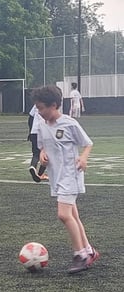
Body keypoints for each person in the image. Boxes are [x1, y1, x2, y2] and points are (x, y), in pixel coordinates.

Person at [32, 85, 99, 274]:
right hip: (56, 175)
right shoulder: (41, 124)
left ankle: (80, 255)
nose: (39, 111)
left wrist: (84, 158)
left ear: (54, 105)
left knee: (63, 215)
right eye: (37, 108)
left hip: (71, 174)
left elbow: (87, 143)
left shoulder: (69, 123)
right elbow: (42, 146)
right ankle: (89, 251)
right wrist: (43, 154)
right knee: (73, 215)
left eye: (41, 108)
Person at [27, 104, 47, 182]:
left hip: (34, 131)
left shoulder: (37, 104)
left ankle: (33, 166)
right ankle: (40, 174)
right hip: (45, 131)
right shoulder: (52, 104)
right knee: (48, 153)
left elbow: (30, 118)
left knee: (36, 154)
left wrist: (30, 131)